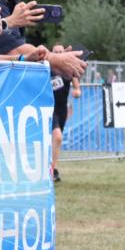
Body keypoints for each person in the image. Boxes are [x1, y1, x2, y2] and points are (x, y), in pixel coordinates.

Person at [49, 44, 80, 182]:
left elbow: (75, 81)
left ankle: (51, 169)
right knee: (58, 137)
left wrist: (77, 90)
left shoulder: (67, 69)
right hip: (49, 108)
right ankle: (52, 170)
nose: (59, 54)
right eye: (56, 52)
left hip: (62, 109)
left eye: (61, 52)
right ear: (52, 53)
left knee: (55, 140)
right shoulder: (47, 68)